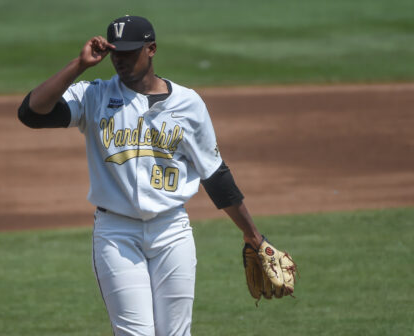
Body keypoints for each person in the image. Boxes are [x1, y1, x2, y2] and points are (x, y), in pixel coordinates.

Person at [18, 15, 287, 336]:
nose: (120, 61)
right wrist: (79, 65)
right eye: (116, 53)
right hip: (116, 234)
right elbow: (32, 114)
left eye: (130, 53)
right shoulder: (94, 94)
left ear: (152, 49)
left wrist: (252, 235)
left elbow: (216, 176)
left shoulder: (188, 103)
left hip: (172, 231)